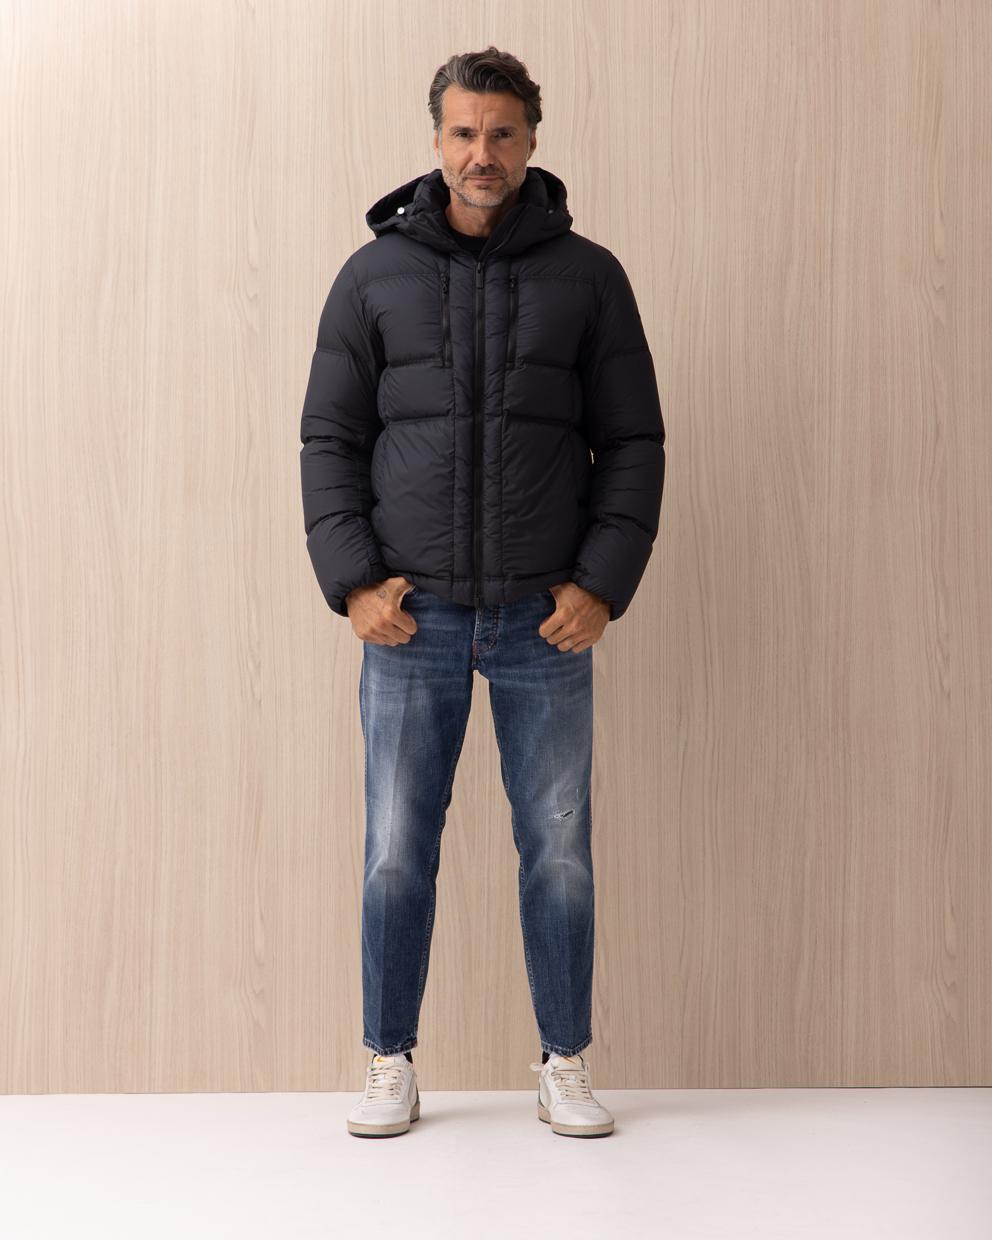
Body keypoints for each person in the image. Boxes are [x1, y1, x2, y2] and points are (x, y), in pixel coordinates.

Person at [299, 46, 665, 1139]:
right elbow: (330, 440)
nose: (482, 153)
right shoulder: (372, 277)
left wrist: (601, 585)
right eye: (463, 133)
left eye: (502, 133)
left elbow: (633, 442)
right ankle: (387, 1060)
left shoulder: (588, 276)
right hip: (408, 620)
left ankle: (564, 1061)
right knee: (395, 848)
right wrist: (352, 585)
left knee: (557, 847)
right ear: (436, 140)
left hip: (542, 622)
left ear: (531, 141)